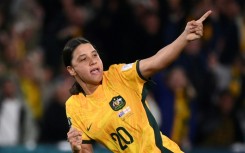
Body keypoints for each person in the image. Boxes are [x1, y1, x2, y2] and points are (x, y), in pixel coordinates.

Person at [64, 10, 212, 153]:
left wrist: (184, 36)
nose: (93, 61)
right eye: (83, 59)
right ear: (71, 70)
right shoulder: (74, 106)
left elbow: (156, 62)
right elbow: (85, 150)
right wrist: (77, 149)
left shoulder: (119, 75)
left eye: (95, 55)